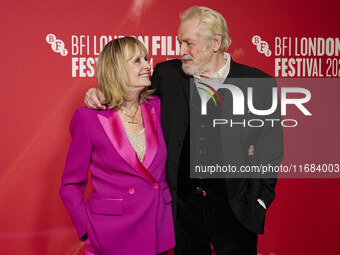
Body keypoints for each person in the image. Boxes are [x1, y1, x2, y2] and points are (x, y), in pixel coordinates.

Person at [85, 6, 283, 255]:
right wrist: (99, 94)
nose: (181, 51)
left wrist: (259, 201)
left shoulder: (259, 83)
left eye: (188, 43)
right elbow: (127, 98)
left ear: (215, 43)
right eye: (180, 42)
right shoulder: (167, 75)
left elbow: (270, 150)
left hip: (236, 210)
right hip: (181, 213)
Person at [59, 36, 175, 255]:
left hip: (156, 229)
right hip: (110, 235)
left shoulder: (158, 106)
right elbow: (70, 184)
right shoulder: (89, 118)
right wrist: (87, 227)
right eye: (138, 60)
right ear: (117, 69)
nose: (148, 65)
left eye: (146, 58)